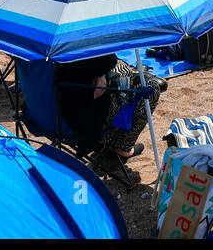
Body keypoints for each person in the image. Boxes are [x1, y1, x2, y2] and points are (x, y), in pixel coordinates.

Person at [55, 53, 166, 183]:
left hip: (54, 113)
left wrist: (101, 75)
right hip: (86, 120)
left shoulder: (42, 52)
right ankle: (123, 148)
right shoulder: (81, 45)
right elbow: (109, 60)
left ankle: (131, 73)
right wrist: (101, 74)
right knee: (151, 87)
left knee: (122, 70)